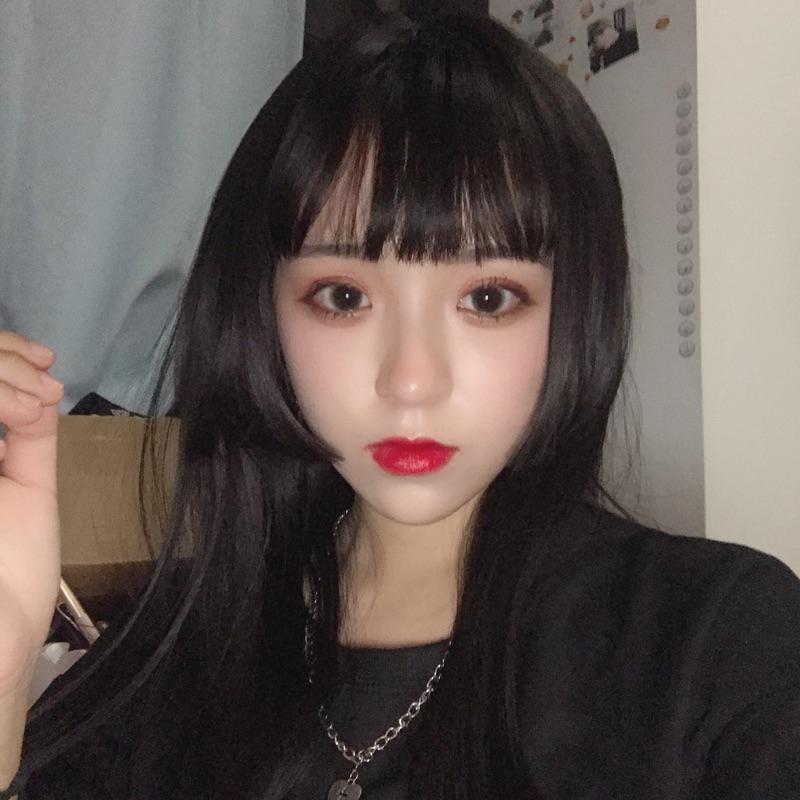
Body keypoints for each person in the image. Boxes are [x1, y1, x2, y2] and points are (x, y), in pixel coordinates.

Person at [0, 9, 798, 800]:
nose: (412, 381)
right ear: (260, 310)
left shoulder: (719, 649)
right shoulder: (160, 673)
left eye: (488, 298)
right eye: (344, 296)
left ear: (576, 308)